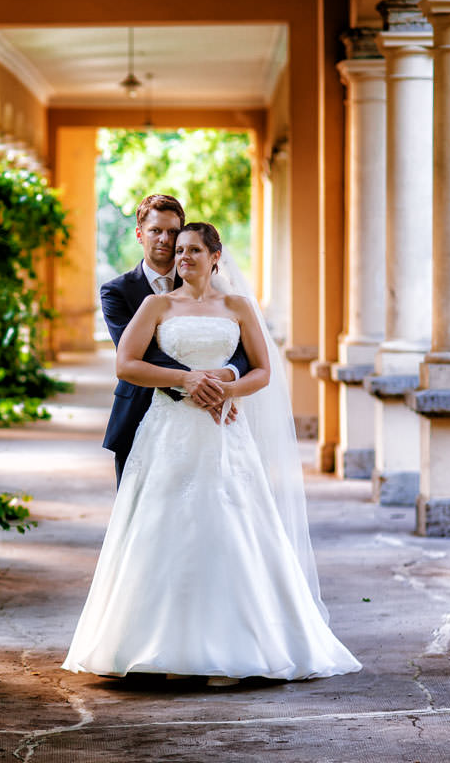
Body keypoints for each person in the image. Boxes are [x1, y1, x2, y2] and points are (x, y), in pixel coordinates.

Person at [63, 222, 360, 682]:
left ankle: (238, 645)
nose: (183, 257)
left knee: (231, 526)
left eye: (194, 249)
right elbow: (127, 363)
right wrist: (185, 380)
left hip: (224, 432)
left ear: (215, 256)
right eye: (180, 250)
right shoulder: (156, 304)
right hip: (168, 431)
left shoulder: (238, 307)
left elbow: (262, 370)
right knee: (162, 529)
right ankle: (148, 646)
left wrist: (228, 390)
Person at [99, 195, 249, 486]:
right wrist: (195, 382)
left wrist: (225, 380)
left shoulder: (205, 280)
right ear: (140, 234)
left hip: (211, 413)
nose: (165, 240)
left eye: (172, 232)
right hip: (141, 411)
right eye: (156, 231)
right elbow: (141, 354)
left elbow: (239, 346)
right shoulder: (116, 291)